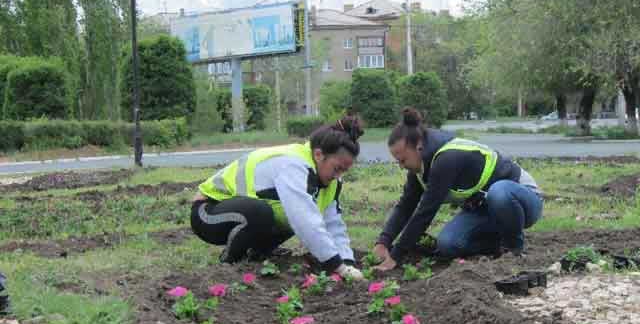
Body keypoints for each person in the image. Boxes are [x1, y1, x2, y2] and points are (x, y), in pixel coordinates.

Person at [191, 115, 365, 280]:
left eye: (344, 171)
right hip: (208, 213)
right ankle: (229, 263)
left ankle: (256, 256)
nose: (339, 175)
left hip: (240, 215)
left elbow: (333, 224)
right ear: (319, 155)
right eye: (337, 168)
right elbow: (304, 220)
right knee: (265, 213)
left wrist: (347, 262)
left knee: (285, 216)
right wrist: (337, 266)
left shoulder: (330, 181)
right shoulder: (293, 165)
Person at [373, 107, 543, 271]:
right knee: (447, 244)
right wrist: (384, 241)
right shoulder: (420, 166)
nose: (402, 166)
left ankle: (514, 249)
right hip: (483, 209)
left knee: (499, 193)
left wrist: (396, 255)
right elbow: (406, 205)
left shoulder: (447, 159)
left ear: (418, 146)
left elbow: (425, 212)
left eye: (403, 160)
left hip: (522, 200)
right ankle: (500, 242)